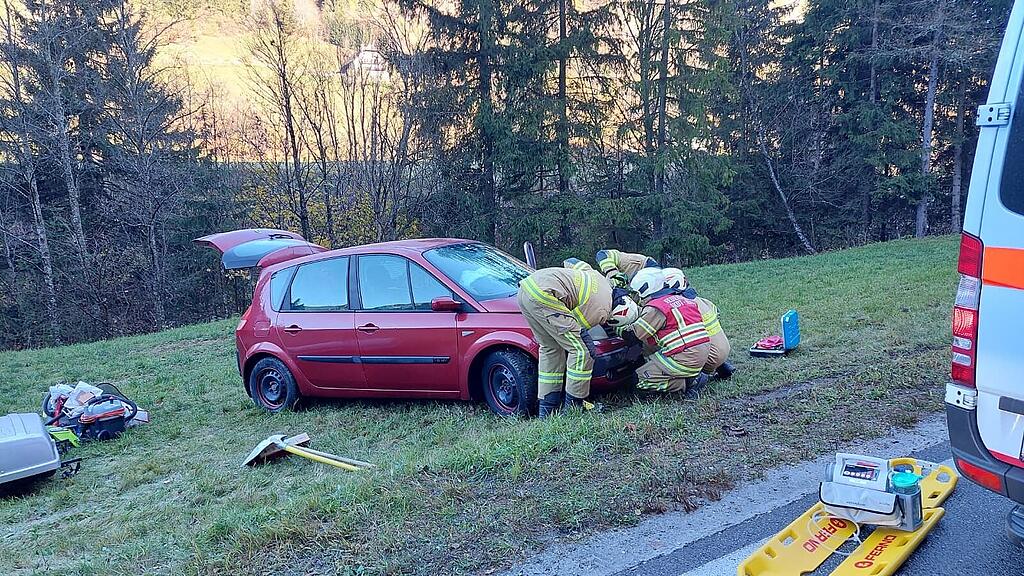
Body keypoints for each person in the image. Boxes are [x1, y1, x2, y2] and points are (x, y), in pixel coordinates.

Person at [517, 260, 636, 416]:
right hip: (545, 295)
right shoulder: (602, 310)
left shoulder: (601, 280)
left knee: (550, 348)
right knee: (582, 350)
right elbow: (578, 329)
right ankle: (574, 406)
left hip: (526, 289)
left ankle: (547, 409)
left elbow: (571, 262)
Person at [617, 267, 711, 394]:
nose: (635, 297)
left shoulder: (655, 308)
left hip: (685, 357)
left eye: (635, 293)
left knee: (638, 379)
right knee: (648, 347)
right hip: (701, 353)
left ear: (644, 290)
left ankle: (687, 383)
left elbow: (633, 335)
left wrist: (615, 326)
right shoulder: (681, 298)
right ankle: (689, 375)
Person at [595, 249, 659, 287]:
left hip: (645, 266)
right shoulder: (608, 284)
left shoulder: (607, 257)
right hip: (639, 280)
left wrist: (612, 273)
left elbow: (602, 254)